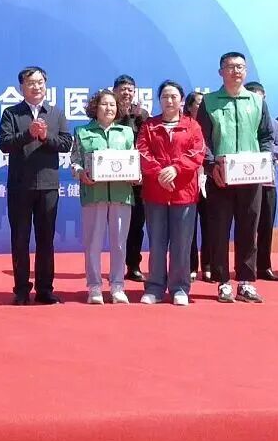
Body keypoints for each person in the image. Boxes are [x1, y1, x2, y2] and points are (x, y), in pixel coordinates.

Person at [196, 52, 276, 303]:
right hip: (220, 177)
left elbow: (266, 136)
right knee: (219, 230)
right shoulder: (209, 102)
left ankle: (246, 282)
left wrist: (265, 158)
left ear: (246, 71)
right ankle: (222, 282)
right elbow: (202, 140)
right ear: (221, 72)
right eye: (230, 67)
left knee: (248, 229)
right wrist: (212, 166)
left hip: (251, 177)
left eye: (240, 67)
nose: (236, 71)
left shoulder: (257, 101)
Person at [0, 66, 73, 305]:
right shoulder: (11, 113)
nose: (36, 87)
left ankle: (44, 289)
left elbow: (66, 143)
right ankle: (21, 289)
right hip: (20, 186)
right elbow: (4, 144)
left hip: (48, 185)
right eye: (31, 83)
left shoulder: (56, 113)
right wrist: (29, 134)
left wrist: (44, 137)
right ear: (22, 87)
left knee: (46, 240)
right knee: (20, 239)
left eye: (40, 82)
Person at [137, 80, 206, 305]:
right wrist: (159, 173)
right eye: (165, 96)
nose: (169, 100)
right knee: (157, 243)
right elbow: (142, 152)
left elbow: (197, 153)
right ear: (159, 100)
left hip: (183, 193)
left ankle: (180, 288)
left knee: (182, 244)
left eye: (174, 96)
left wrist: (175, 169)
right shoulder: (149, 126)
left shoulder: (192, 126)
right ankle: (155, 287)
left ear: (182, 100)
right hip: (155, 192)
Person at [69, 89, 134, 304]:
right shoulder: (82, 132)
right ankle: (94, 286)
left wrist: (136, 174)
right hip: (93, 193)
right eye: (104, 104)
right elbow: (74, 161)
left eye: (113, 105)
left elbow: (133, 159)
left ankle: (117, 286)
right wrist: (80, 173)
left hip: (121, 193)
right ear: (95, 108)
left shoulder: (126, 132)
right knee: (93, 243)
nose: (109, 108)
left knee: (119, 243)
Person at [244, 82, 278, 281]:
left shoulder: (273, 123)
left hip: (267, 182)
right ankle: (244, 267)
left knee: (265, 226)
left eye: (259, 98)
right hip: (243, 182)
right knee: (246, 226)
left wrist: (263, 154)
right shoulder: (239, 122)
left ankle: (264, 266)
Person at [113, 75, 150, 282]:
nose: (126, 93)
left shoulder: (142, 114)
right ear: (114, 91)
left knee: (136, 224)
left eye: (130, 89)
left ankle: (133, 265)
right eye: (123, 89)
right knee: (116, 226)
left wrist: (138, 117)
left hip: (137, 180)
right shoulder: (109, 110)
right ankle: (115, 267)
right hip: (113, 178)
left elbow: (147, 143)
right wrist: (126, 117)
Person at [183, 91, 212, 282]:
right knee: (189, 227)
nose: (203, 107)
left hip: (209, 179)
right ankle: (191, 266)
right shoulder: (184, 126)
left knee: (210, 225)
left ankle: (208, 266)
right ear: (189, 106)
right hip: (188, 180)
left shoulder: (212, 124)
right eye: (199, 104)